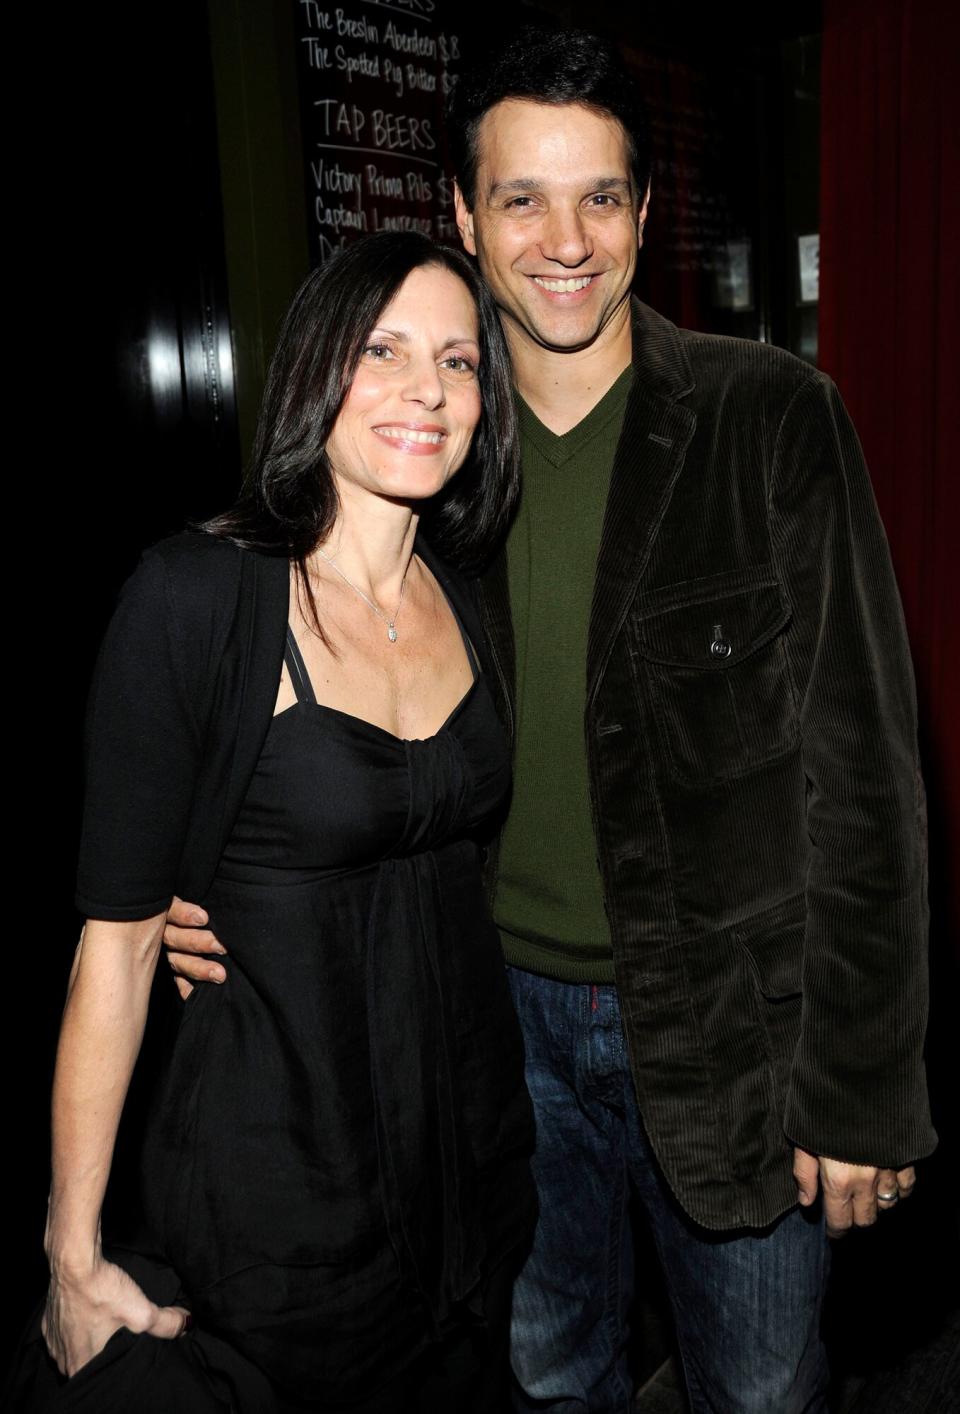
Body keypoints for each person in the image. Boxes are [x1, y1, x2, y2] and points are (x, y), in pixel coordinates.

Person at [164, 27, 936, 1414]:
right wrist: (211, 882)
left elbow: (869, 780)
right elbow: (302, 683)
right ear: (463, 216)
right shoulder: (426, 450)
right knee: (542, 1377)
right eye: (521, 197)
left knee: (760, 1392)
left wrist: (865, 1083)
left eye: (599, 197)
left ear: (645, 212)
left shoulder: (772, 421)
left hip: (731, 1033)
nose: (562, 238)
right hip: (486, 1035)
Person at [25, 231, 535, 1414]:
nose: (427, 389)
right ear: (319, 368)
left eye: (459, 362)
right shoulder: (195, 598)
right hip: (280, 1208)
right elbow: (118, 946)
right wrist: (72, 1252)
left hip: (470, 1181)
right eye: (385, 350)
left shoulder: (467, 590)